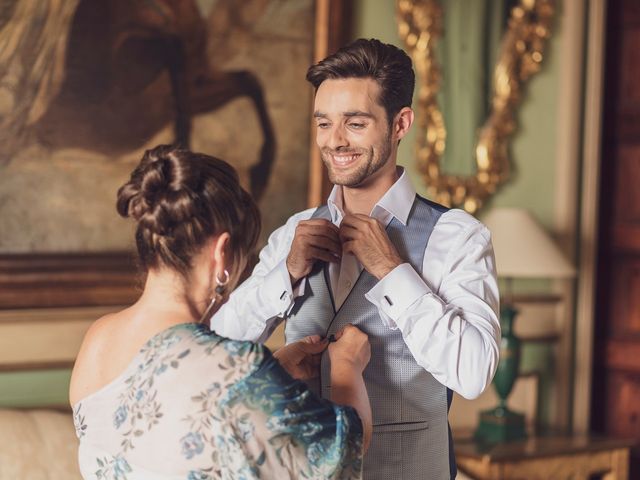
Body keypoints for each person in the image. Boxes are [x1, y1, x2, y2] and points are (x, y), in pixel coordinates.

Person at [213, 38, 501, 479]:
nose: (334, 141)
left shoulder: (455, 236)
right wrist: (285, 274)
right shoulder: (294, 231)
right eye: (323, 123)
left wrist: (393, 271)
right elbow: (219, 349)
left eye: (355, 123)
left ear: (400, 123)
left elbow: (474, 372)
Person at [69, 145, 372, 479]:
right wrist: (346, 366)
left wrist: (272, 376)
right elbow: (340, 454)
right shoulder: (238, 370)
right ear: (222, 254)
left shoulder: (98, 338)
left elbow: (162, 429)